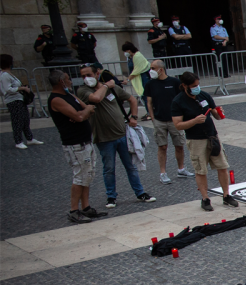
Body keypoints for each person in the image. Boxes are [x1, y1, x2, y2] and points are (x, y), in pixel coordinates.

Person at [76, 64, 154, 208]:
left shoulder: (112, 88)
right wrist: (106, 85)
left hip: (121, 134)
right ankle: (111, 196)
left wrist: (134, 117)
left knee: (130, 166)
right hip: (103, 138)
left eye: (89, 75)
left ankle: (140, 192)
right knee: (109, 169)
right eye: (83, 76)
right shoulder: (83, 90)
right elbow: (96, 98)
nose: (86, 78)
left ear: (97, 73)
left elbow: (131, 99)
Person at [171, 71, 236, 212]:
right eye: (194, 86)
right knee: (201, 170)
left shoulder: (204, 95)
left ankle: (226, 195)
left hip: (212, 136)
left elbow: (215, 114)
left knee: (222, 166)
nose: (197, 88)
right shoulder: (178, 101)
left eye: (198, 84)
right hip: (196, 140)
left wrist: (219, 113)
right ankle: (205, 198)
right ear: (184, 85)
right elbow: (178, 124)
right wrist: (194, 121)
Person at [47, 70, 107, 223]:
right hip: (74, 144)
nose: (70, 81)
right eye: (67, 79)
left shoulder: (70, 96)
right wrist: (81, 114)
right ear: (61, 81)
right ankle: (74, 210)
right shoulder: (56, 99)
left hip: (85, 140)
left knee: (87, 175)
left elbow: (89, 108)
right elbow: (80, 116)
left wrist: (82, 113)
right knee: (80, 176)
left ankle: (86, 207)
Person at [144, 60, 189, 183]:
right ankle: (163, 173)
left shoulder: (174, 82)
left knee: (179, 145)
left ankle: (181, 169)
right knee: (162, 146)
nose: (151, 70)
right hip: (159, 120)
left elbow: (181, 99)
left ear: (161, 69)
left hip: (174, 120)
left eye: (153, 68)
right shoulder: (150, 84)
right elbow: (149, 102)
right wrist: (152, 117)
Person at [0, 56, 38, 149]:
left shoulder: (9, 74)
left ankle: (29, 138)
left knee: (25, 119)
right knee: (17, 121)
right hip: (13, 101)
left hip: (19, 99)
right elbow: (7, 89)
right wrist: (22, 88)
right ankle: (18, 141)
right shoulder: (4, 75)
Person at [121, 42, 152, 113]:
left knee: (146, 95)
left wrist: (128, 79)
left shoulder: (137, 56)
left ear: (129, 50)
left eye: (125, 51)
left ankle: (150, 113)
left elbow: (137, 70)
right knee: (144, 96)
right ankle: (149, 112)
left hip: (143, 77)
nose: (125, 53)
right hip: (140, 77)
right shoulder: (131, 57)